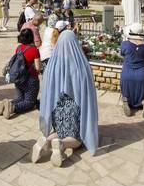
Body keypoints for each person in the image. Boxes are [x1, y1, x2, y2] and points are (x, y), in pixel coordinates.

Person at [32, 31, 98, 167]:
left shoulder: (52, 64)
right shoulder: (81, 64)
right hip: (74, 108)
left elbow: (48, 90)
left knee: (59, 131)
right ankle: (63, 144)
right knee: (76, 138)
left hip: (57, 108)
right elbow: (86, 91)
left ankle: (44, 141)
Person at [0, 29, 41, 119]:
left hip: (19, 78)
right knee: (29, 102)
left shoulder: (19, 48)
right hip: (30, 79)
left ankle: (8, 104)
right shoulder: (34, 50)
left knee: (20, 98)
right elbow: (38, 68)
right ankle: (13, 108)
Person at [120, 23, 144, 117]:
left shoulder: (125, 44)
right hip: (142, 73)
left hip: (128, 72)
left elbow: (122, 54)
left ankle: (126, 101)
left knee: (126, 91)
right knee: (143, 93)